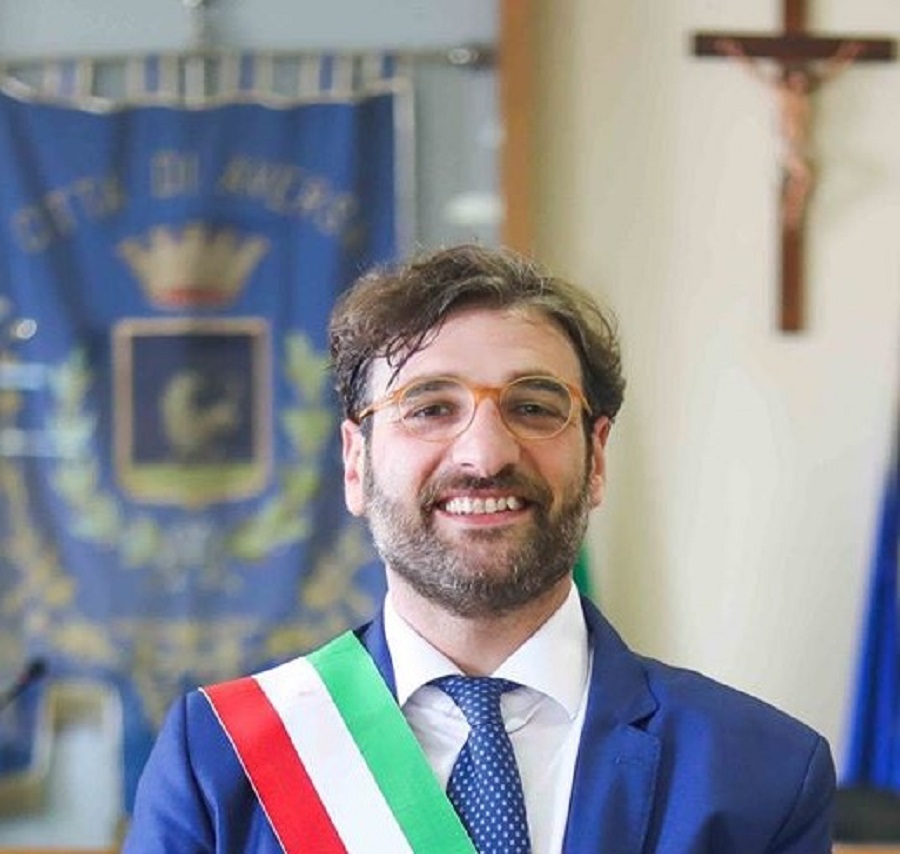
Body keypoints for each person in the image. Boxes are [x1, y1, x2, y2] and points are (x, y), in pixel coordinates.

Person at [124, 243, 835, 852]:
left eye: (534, 407)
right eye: (431, 407)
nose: (486, 454)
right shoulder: (220, 759)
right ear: (355, 463)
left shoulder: (760, 771)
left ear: (596, 458)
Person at [715, 37, 863, 230]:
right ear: (789, 79)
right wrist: (734, 52)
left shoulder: (808, 95)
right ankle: (791, 214)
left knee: (805, 180)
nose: (799, 83)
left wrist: (848, 54)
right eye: (796, 79)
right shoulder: (782, 93)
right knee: (804, 177)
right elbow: (754, 73)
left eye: (802, 80)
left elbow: (831, 72)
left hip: (804, 146)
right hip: (789, 145)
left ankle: (792, 212)